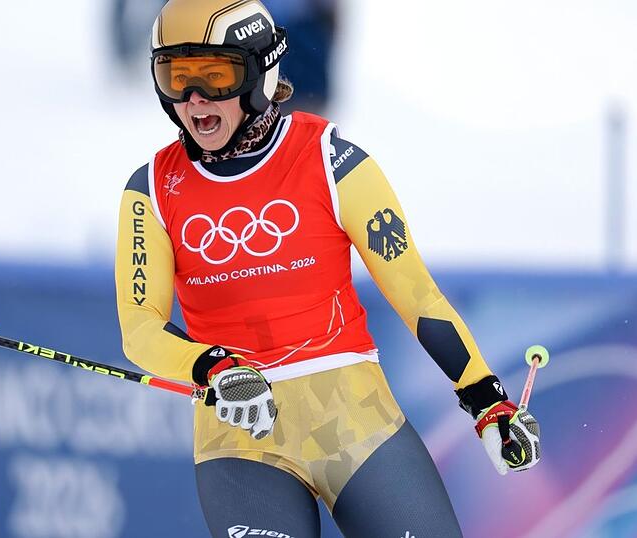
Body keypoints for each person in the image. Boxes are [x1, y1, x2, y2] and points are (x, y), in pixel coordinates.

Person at [114, 1, 541, 536]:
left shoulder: (331, 159)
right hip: (241, 439)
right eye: (176, 77)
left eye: (216, 76)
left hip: (355, 422)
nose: (194, 98)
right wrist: (213, 367)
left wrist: (485, 399)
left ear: (260, 75)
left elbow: (417, 295)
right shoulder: (152, 189)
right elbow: (141, 328)